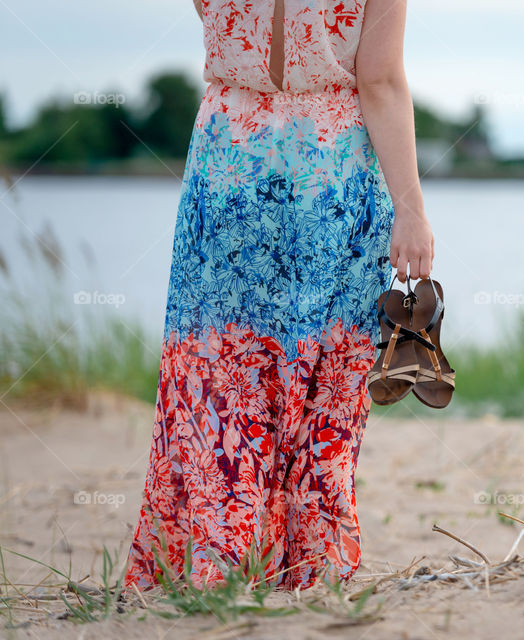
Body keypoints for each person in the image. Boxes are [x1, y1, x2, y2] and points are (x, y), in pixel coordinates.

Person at [124, 0, 433, 590]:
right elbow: (381, 81)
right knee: (327, 374)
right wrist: (411, 210)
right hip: (330, 175)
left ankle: (220, 557)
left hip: (229, 164)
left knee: (220, 371)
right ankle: (309, 562)